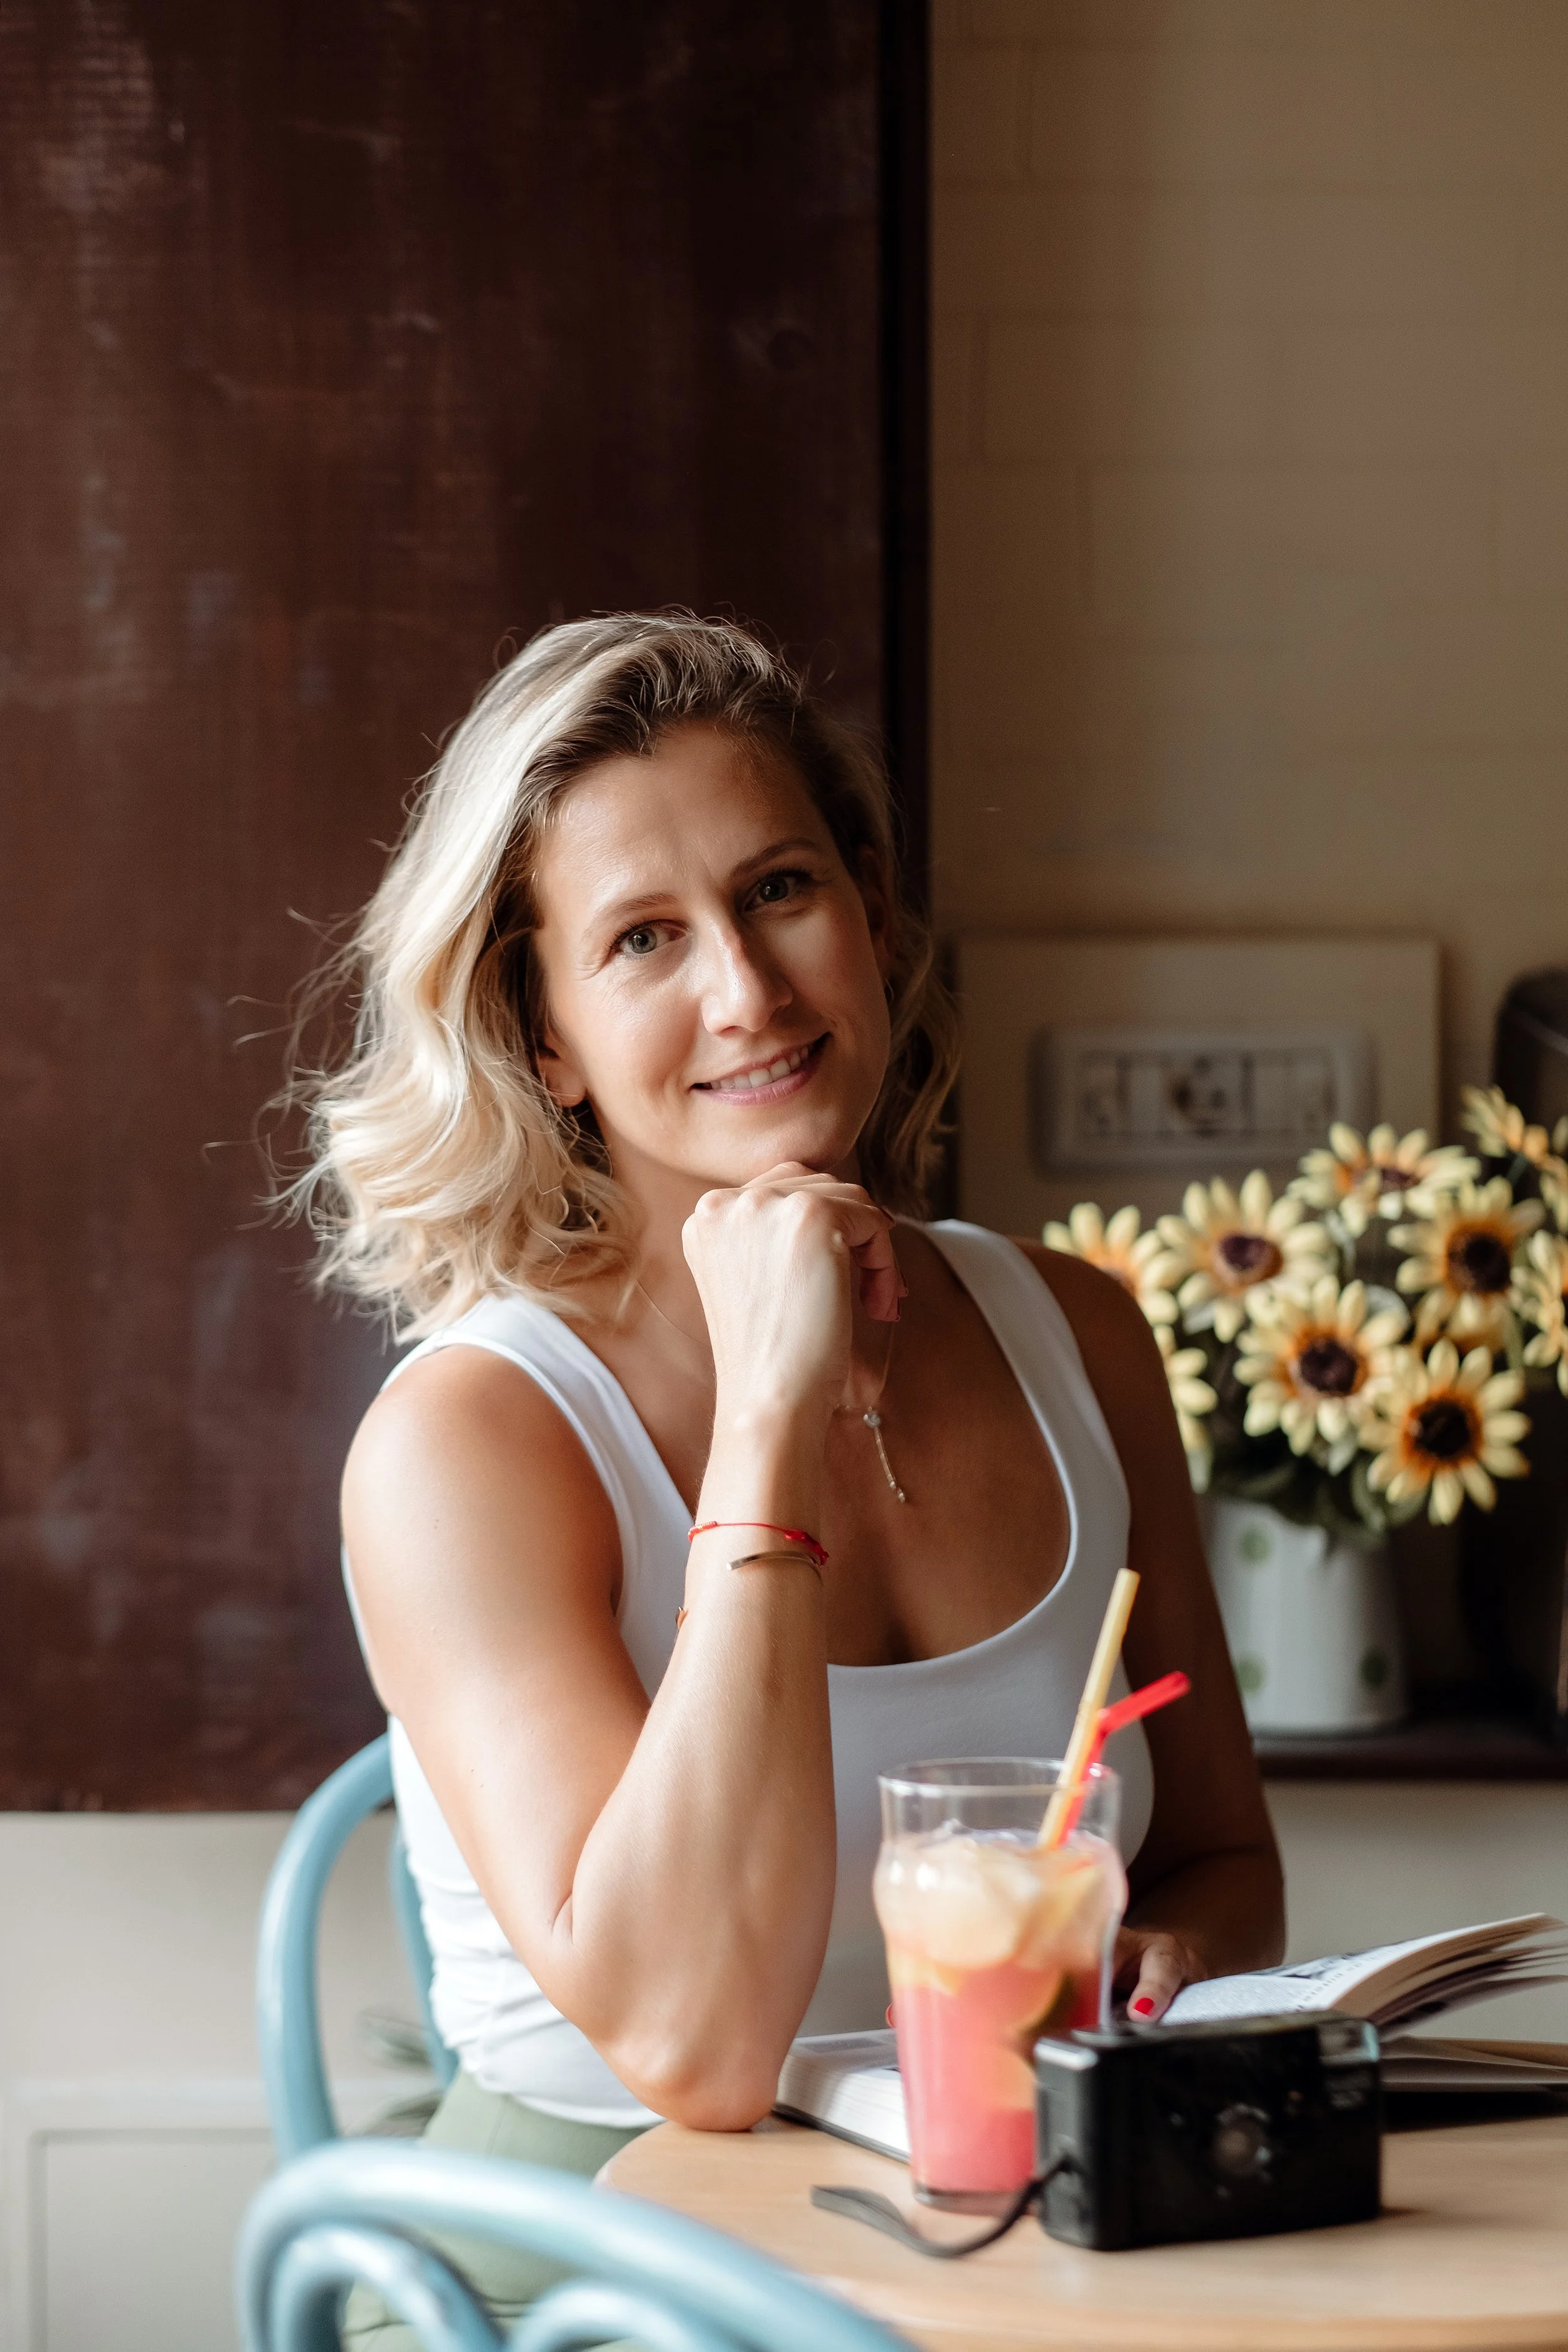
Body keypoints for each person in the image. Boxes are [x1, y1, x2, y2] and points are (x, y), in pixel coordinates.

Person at [300, 613, 1283, 2343]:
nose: (744, 992)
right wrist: (766, 1406)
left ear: (873, 918)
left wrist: (1177, 1965)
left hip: (1005, 2258)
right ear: (545, 1036)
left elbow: (1212, 1853)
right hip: (580, 2288)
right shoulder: (463, 1441)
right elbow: (693, 2041)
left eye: (776, 892)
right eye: (643, 939)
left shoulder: (1080, 1337)